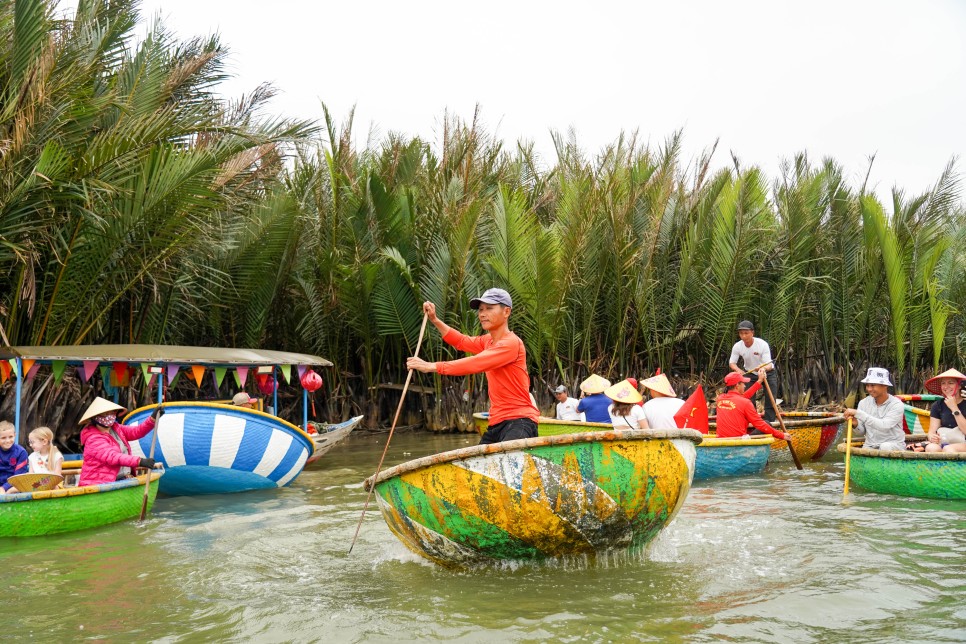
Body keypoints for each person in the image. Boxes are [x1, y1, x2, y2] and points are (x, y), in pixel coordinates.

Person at [407, 289, 539, 444]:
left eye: (489, 308)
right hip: (496, 422)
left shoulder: (511, 343)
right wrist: (434, 319)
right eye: (481, 309)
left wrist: (432, 366)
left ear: (506, 311)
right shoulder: (488, 341)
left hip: (519, 421)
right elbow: (461, 341)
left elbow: (475, 363)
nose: (482, 314)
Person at [77, 397, 162, 486]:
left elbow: (137, 431)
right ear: (95, 418)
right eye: (106, 414)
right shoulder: (93, 439)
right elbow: (113, 456)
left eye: (112, 412)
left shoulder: (116, 429)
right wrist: (139, 461)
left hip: (120, 479)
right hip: (99, 484)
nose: (110, 416)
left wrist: (152, 419)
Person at [842, 367, 906, 451]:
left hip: (893, 446)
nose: (869, 389)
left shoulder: (897, 404)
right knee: (865, 450)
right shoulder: (863, 403)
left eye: (872, 385)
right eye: (867, 385)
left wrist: (858, 413)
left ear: (885, 385)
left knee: (885, 447)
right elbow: (861, 432)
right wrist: (855, 423)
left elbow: (884, 426)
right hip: (870, 445)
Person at [715, 372, 791, 440]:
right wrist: (781, 435)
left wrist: (759, 381)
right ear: (737, 385)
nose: (745, 386)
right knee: (767, 423)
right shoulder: (745, 402)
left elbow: (742, 398)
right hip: (738, 441)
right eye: (743, 383)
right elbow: (760, 424)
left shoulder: (720, 398)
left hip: (721, 439)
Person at [729, 320, 779, 422]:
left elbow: (769, 364)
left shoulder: (762, 344)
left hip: (767, 372)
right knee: (747, 398)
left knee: (770, 398)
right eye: (741, 333)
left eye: (746, 333)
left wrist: (762, 368)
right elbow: (732, 363)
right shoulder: (737, 346)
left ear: (752, 333)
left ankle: (770, 422)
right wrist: (738, 370)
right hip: (750, 373)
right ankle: (752, 421)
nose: (743, 336)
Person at [923, 368, 966, 453]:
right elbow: (931, 432)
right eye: (943, 383)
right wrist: (932, 437)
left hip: (963, 442)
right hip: (944, 441)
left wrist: (954, 408)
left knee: (949, 449)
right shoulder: (938, 405)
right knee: (931, 448)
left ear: (959, 386)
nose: (946, 387)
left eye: (951, 383)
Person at [0, 421, 28, 494]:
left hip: (13, 485)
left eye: (11, 437)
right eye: (3, 438)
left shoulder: (21, 452)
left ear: (15, 435)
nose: (8, 441)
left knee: (17, 489)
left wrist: (3, 488)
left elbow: (18, 477)